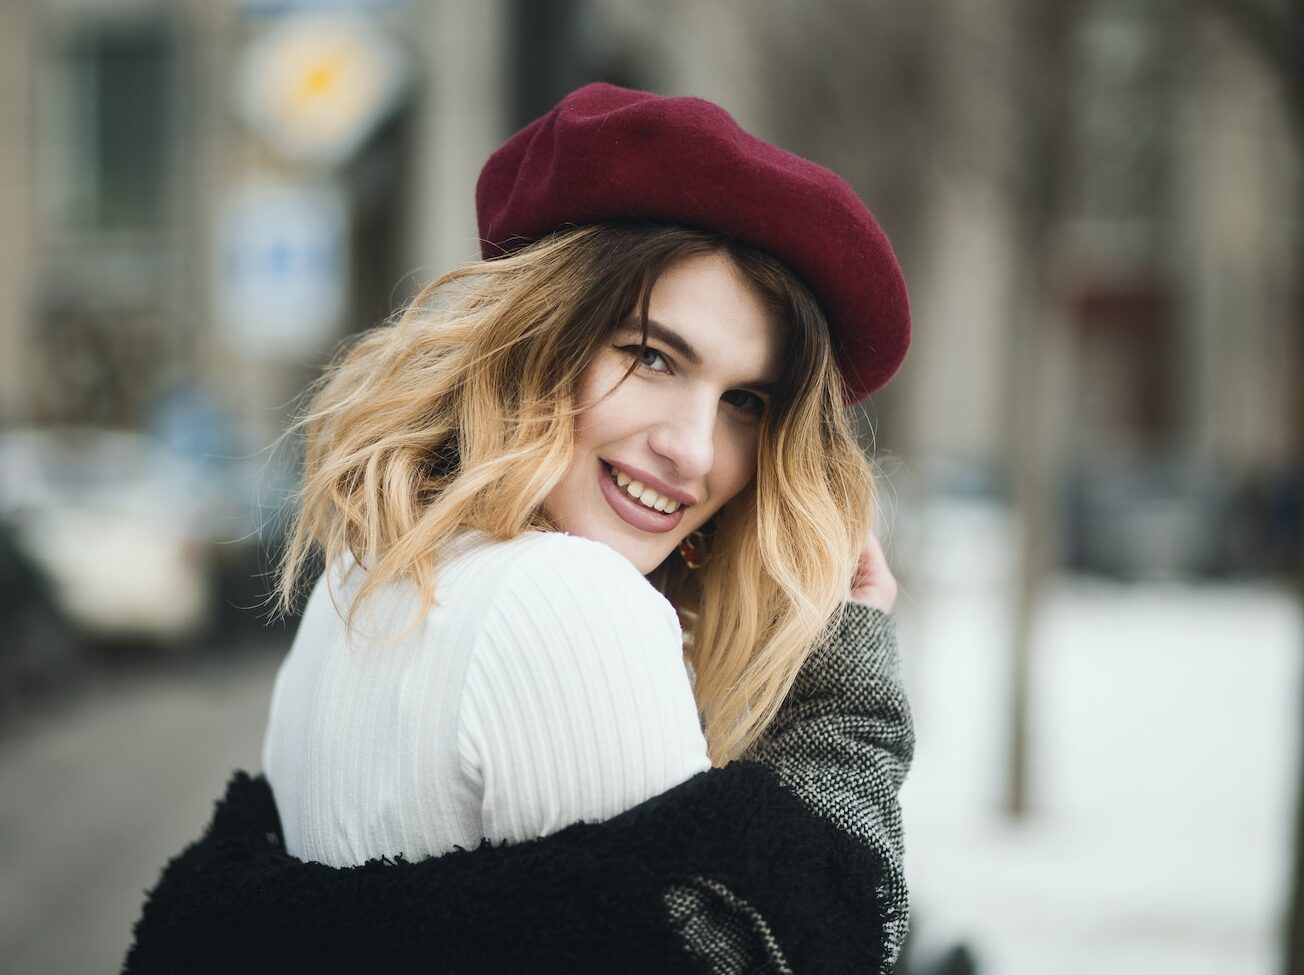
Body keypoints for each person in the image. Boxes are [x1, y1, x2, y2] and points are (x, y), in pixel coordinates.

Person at [124, 82, 914, 974]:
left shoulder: (362, 583)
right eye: (651, 357)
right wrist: (846, 714)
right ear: (538, 337)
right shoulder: (570, 602)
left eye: (745, 401)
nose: (693, 450)